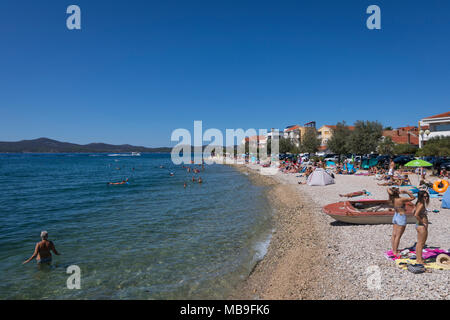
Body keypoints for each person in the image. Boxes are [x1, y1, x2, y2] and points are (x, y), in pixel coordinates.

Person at [388, 188, 415, 258]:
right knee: (398, 236)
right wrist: (406, 191)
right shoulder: (401, 199)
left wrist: (395, 191)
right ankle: (395, 251)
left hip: (395, 215)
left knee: (394, 234)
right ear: (397, 192)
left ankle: (394, 249)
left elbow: (388, 189)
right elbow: (413, 198)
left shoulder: (392, 199)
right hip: (401, 216)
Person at [414, 191, 430, 264]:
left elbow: (413, 212)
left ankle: (418, 258)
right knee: (421, 243)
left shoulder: (418, 203)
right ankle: (420, 260)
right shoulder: (421, 204)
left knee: (419, 243)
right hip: (421, 226)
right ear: (420, 197)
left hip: (418, 225)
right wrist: (422, 222)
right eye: (424, 196)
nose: (426, 198)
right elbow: (416, 215)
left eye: (426, 196)